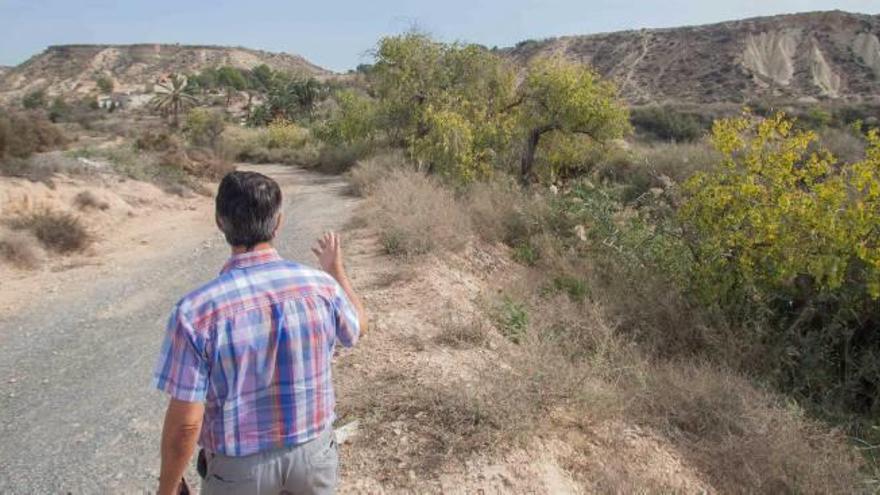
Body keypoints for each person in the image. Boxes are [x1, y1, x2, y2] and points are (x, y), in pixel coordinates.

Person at [152, 171, 366, 495]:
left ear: (219, 221)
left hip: (238, 472)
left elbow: (186, 425)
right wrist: (335, 271)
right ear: (278, 223)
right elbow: (357, 327)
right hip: (315, 456)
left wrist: (166, 489)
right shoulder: (322, 288)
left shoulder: (195, 313)